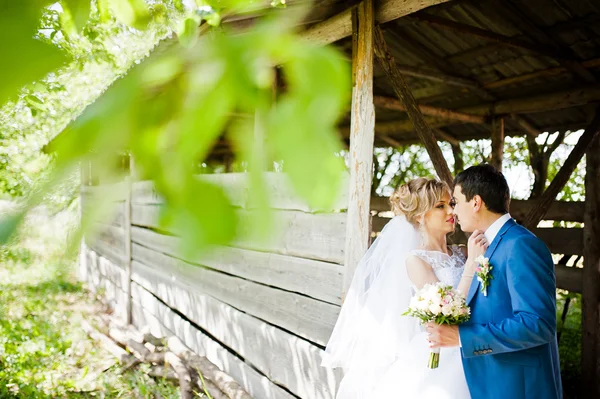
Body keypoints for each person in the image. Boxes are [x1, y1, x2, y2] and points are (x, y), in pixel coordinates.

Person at [322, 177, 487, 399]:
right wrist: (471, 265)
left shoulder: (462, 252)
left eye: (451, 204)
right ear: (420, 216)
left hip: (473, 342)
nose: (451, 211)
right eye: (440, 206)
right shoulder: (416, 260)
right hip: (442, 354)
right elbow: (448, 311)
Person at [427, 164, 562, 399]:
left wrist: (462, 337)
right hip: (491, 382)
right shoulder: (485, 246)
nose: (454, 211)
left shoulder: (520, 245)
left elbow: (538, 324)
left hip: (519, 387)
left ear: (476, 202)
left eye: (456, 202)